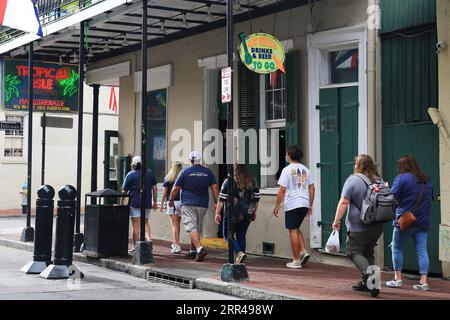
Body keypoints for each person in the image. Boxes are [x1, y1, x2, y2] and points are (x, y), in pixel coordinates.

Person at [332, 154, 383, 297]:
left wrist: (336, 221)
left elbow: (343, 202)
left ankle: (373, 280)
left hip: (359, 227)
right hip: (377, 226)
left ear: (358, 165)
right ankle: (368, 284)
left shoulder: (353, 180)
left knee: (353, 251)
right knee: (367, 253)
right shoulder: (378, 180)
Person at [386, 156, 433, 291]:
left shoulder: (401, 179)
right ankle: (423, 282)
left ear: (402, 167)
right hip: (423, 221)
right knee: (422, 250)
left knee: (396, 248)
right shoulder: (427, 180)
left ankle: (397, 279)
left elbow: (391, 197)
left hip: (405, 221)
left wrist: (386, 188)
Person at [168, 151, 219, 262]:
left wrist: (171, 199)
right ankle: (193, 251)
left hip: (188, 204)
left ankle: (200, 249)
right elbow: (214, 187)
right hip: (203, 204)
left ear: (190, 160)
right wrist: (217, 202)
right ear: (200, 160)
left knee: (191, 227)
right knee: (197, 227)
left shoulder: (185, 171)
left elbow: (176, 188)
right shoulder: (208, 172)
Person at [273, 145, 315, 269]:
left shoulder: (286, 170)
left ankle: (296, 260)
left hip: (292, 203)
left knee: (293, 230)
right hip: (304, 202)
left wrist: (277, 205)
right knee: (296, 228)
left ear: (289, 155)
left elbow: (282, 190)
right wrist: (310, 204)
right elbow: (312, 188)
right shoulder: (306, 170)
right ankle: (302, 251)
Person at [214, 164, 261, 264]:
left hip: (232, 213)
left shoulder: (229, 181)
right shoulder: (253, 181)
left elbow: (221, 199)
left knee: (227, 235)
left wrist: (217, 213)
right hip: (247, 212)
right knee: (241, 235)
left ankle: (239, 253)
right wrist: (254, 212)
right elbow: (256, 199)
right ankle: (240, 259)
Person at [122, 156, 158, 248]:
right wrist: (154, 201)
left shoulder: (130, 175)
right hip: (147, 202)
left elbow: (124, 190)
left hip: (135, 203)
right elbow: (154, 188)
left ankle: (136, 247)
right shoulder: (149, 173)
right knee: (145, 223)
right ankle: (149, 239)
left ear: (133, 165)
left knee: (136, 225)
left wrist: (122, 201)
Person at [160, 161, 183, 254]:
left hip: (172, 202)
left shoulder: (168, 179)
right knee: (178, 224)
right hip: (181, 202)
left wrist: (161, 204)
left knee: (174, 225)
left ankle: (177, 245)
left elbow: (165, 193)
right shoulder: (182, 178)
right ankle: (176, 243)